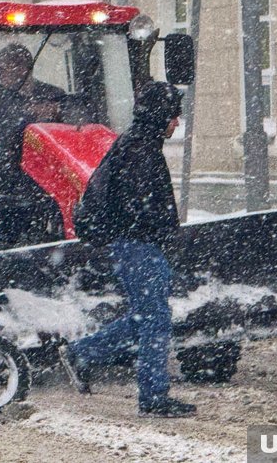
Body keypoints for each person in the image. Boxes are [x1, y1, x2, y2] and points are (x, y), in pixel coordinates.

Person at [59, 80, 196, 418]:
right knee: (156, 319)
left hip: (137, 246)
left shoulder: (140, 145)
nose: (177, 122)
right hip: (139, 247)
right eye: (174, 115)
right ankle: (152, 395)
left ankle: (81, 352)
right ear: (159, 114)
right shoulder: (139, 151)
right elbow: (140, 208)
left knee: (146, 317)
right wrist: (163, 235)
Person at [0, 43, 65, 243]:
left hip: (48, 178)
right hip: (5, 182)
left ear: (23, 69)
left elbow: (73, 128)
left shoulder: (54, 95)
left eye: (4, 70)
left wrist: (56, 113)